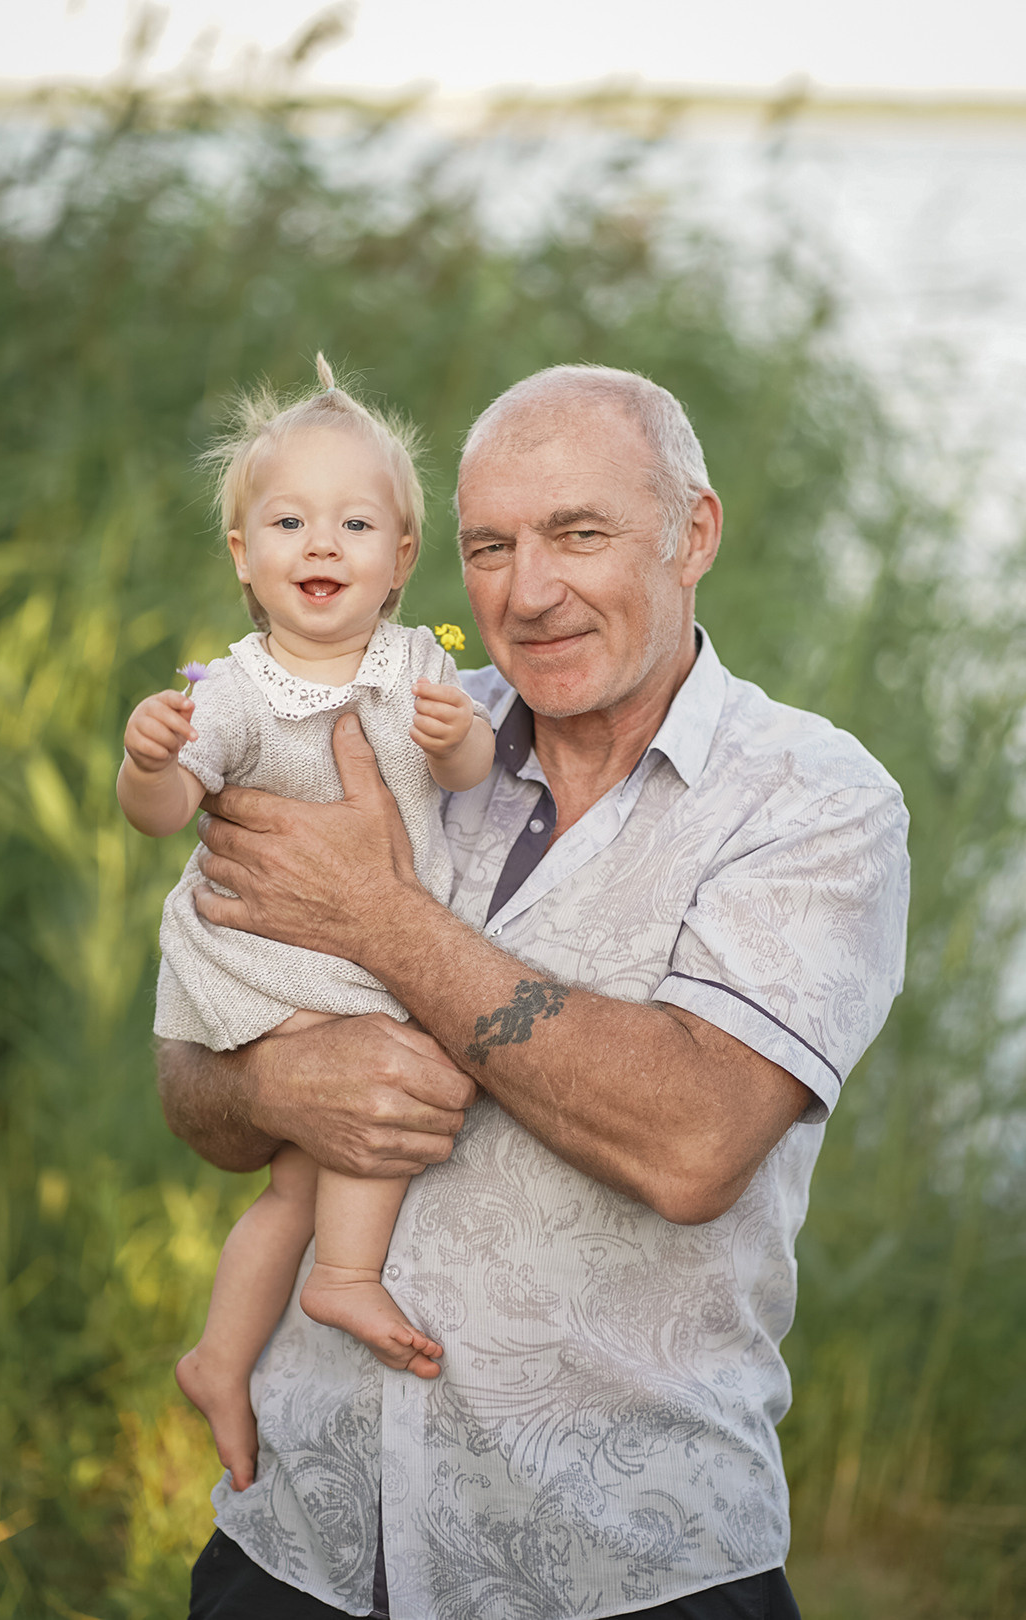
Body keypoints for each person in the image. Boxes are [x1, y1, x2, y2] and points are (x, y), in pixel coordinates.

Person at [158, 365, 910, 1620]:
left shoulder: (814, 802)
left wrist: (384, 925)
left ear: (694, 536)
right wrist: (272, 1079)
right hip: (301, 1544)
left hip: (620, 1565)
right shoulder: (385, 733)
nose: (530, 591)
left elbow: (694, 1144)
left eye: (580, 534)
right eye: (492, 546)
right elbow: (195, 1083)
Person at [117, 358, 495, 1493]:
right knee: (399, 1066)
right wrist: (144, 762)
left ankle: (220, 1356)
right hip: (264, 961)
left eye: (353, 523)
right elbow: (164, 813)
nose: (320, 545)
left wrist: (454, 736)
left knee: (293, 1180)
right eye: (288, 521)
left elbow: (472, 770)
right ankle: (346, 1275)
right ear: (244, 555)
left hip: (360, 948)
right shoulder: (227, 691)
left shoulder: (421, 664)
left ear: (401, 561)